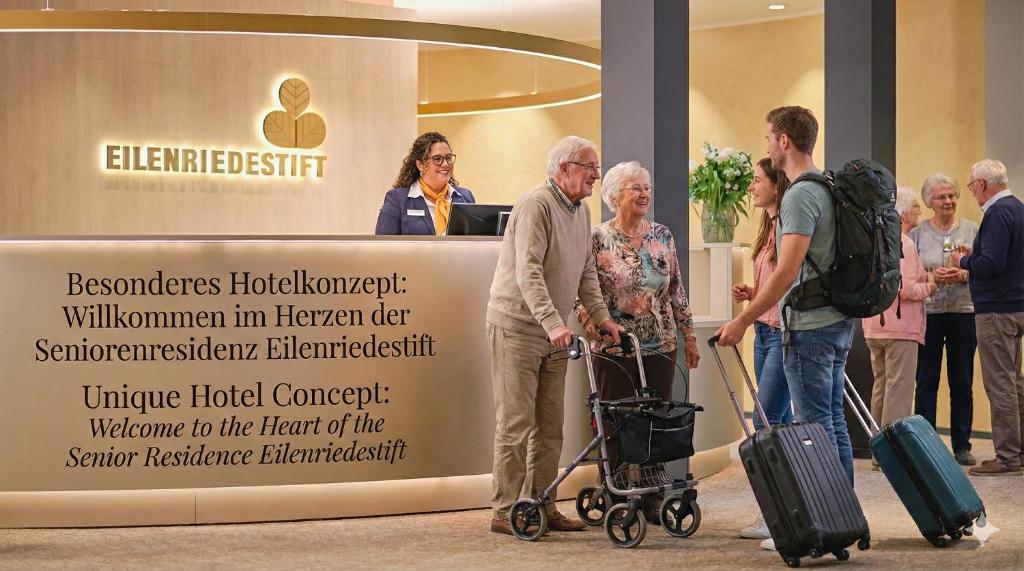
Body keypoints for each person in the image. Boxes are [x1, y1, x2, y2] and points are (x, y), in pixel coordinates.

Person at [486, 135, 625, 535]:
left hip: (554, 333)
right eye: (589, 167)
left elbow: (585, 273)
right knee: (515, 424)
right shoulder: (536, 205)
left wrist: (600, 317)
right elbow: (527, 271)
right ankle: (504, 509)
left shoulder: (580, 213)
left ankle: (541, 502)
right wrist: (553, 322)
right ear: (564, 169)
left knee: (551, 426)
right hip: (518, 327)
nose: (596, 175)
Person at [715, 106, 856, 493]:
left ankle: (828, 515)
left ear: (784, 141)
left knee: (814, 426)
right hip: (836, 321)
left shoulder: (800, 195)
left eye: (768, 138)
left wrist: (742, 320)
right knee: (832, 421)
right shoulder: (826, 185)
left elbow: (786, 271)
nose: (767, 146)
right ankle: (844, 511)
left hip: (810, 328)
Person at [572, 161, 699, 524]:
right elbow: (581, 290)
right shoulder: (597, 238)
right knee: (613, 421)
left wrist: (689, 336)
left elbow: (676, 290)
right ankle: (614, 492)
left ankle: (652, 495)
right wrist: (590, 321)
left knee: (655, 421)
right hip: (615, 348)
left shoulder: (662, 235)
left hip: (661, 345)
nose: (645, 194)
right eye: (635, 188)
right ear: (614, 196)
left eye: (647, 187)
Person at [951, 159, 1024, 477]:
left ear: (981, 184)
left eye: (971, 185)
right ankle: (1019, 452)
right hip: (1017, 305)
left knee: (1000, 384)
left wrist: (963, 260)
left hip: (997, 310)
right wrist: (976, 255)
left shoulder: (995, 213)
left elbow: (992, 264)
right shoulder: (1018, 208)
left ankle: (1007, 456)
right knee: (1015, 382)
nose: (972, 192)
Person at [732, 157, 792, 540]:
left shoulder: (789, 226)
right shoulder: (767, 227)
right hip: (765, 332)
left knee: (765, 422)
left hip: (783, 334)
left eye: (757, 181)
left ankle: (777, 512)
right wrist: (754, 296)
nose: (751, 187)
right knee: (776, 423)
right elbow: (775, 287)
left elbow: (789, 281)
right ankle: (781, 512)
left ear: (775, 185)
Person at [909, 174, 979, 466]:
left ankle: (962, 445)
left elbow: (985, 268)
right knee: (926, 380)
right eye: (941, 197)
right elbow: (910, 274)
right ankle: (927, 445)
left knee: (962, 380)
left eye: (951, 195)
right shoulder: (916, 234)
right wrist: (931, 277)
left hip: (964, 311)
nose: (948, 201)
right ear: (929, 202)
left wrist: (963, 273)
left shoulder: (973, 230)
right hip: (931, 313)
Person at [863, 187, 936, 469]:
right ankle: (895, 454)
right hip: (900, 327)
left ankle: (878, 451)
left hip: (874, 326)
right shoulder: (903, 243)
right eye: (916, 206)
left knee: (881, 388)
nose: (920, 210)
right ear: (903, 212)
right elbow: (904, 288)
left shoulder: (875, 239)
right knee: (899, 390)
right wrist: (930, 286)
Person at [375, 132, 475, 235]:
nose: (445, 164)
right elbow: (383, 245)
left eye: (448, 158)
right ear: (421, 165)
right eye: (437, 159)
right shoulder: (397, 200)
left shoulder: (465, 197)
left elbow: (477, 242)